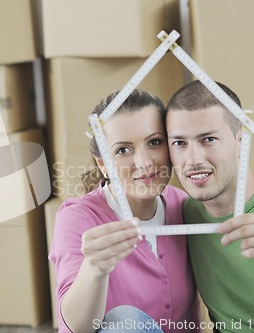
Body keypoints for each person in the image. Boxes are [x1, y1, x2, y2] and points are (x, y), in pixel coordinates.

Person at [49, 89, 200, 333]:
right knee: (123, 321)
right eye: (123, 150)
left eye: (154, 142)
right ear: (102, 164)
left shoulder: (183, 205)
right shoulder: (79, 218)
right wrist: (95, 269)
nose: (144, 162)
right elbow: (79, 327)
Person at [166, 80, 254, 332]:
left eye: (208, 139)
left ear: (240, 140)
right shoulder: (184, 213)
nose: (193, 160)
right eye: (179, 143)